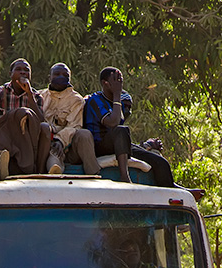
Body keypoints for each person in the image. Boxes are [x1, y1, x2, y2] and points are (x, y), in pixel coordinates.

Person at [84, 66, 202, 199]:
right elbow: (113, 123)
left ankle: (175, 190)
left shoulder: (119, 102)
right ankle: (125, 177)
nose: (119, 84)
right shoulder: (96, 100)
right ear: (105, 83)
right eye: (116, 80)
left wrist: (146, 146)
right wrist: (117, 94)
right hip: (99, 145)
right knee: (122, 130)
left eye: (120, 80)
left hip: (118, 144)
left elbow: (123, 133)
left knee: (160, 162)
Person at [0, 59, 53, 175]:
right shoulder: (0, 92)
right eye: (18, 69)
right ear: (10, 74)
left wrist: (29, 94)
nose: (23, 72)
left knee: (45, 127)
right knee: (20, 113)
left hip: (27, 136)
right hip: (6, 133)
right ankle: (0, 164)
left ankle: (39, 171)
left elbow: (40, 120)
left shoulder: (36, 96)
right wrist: (13, 119)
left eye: (26, 70)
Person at [38, 63, 100, 176]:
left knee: (84, 134)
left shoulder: (76, 100)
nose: (61, 77)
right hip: (43, 145)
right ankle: (52, 170)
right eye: (57, 74)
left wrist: (60, 141)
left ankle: (93, 175)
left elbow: (75, 126)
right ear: (49, 77)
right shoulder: (40, 96)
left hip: (67, 148)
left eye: (65, 75)